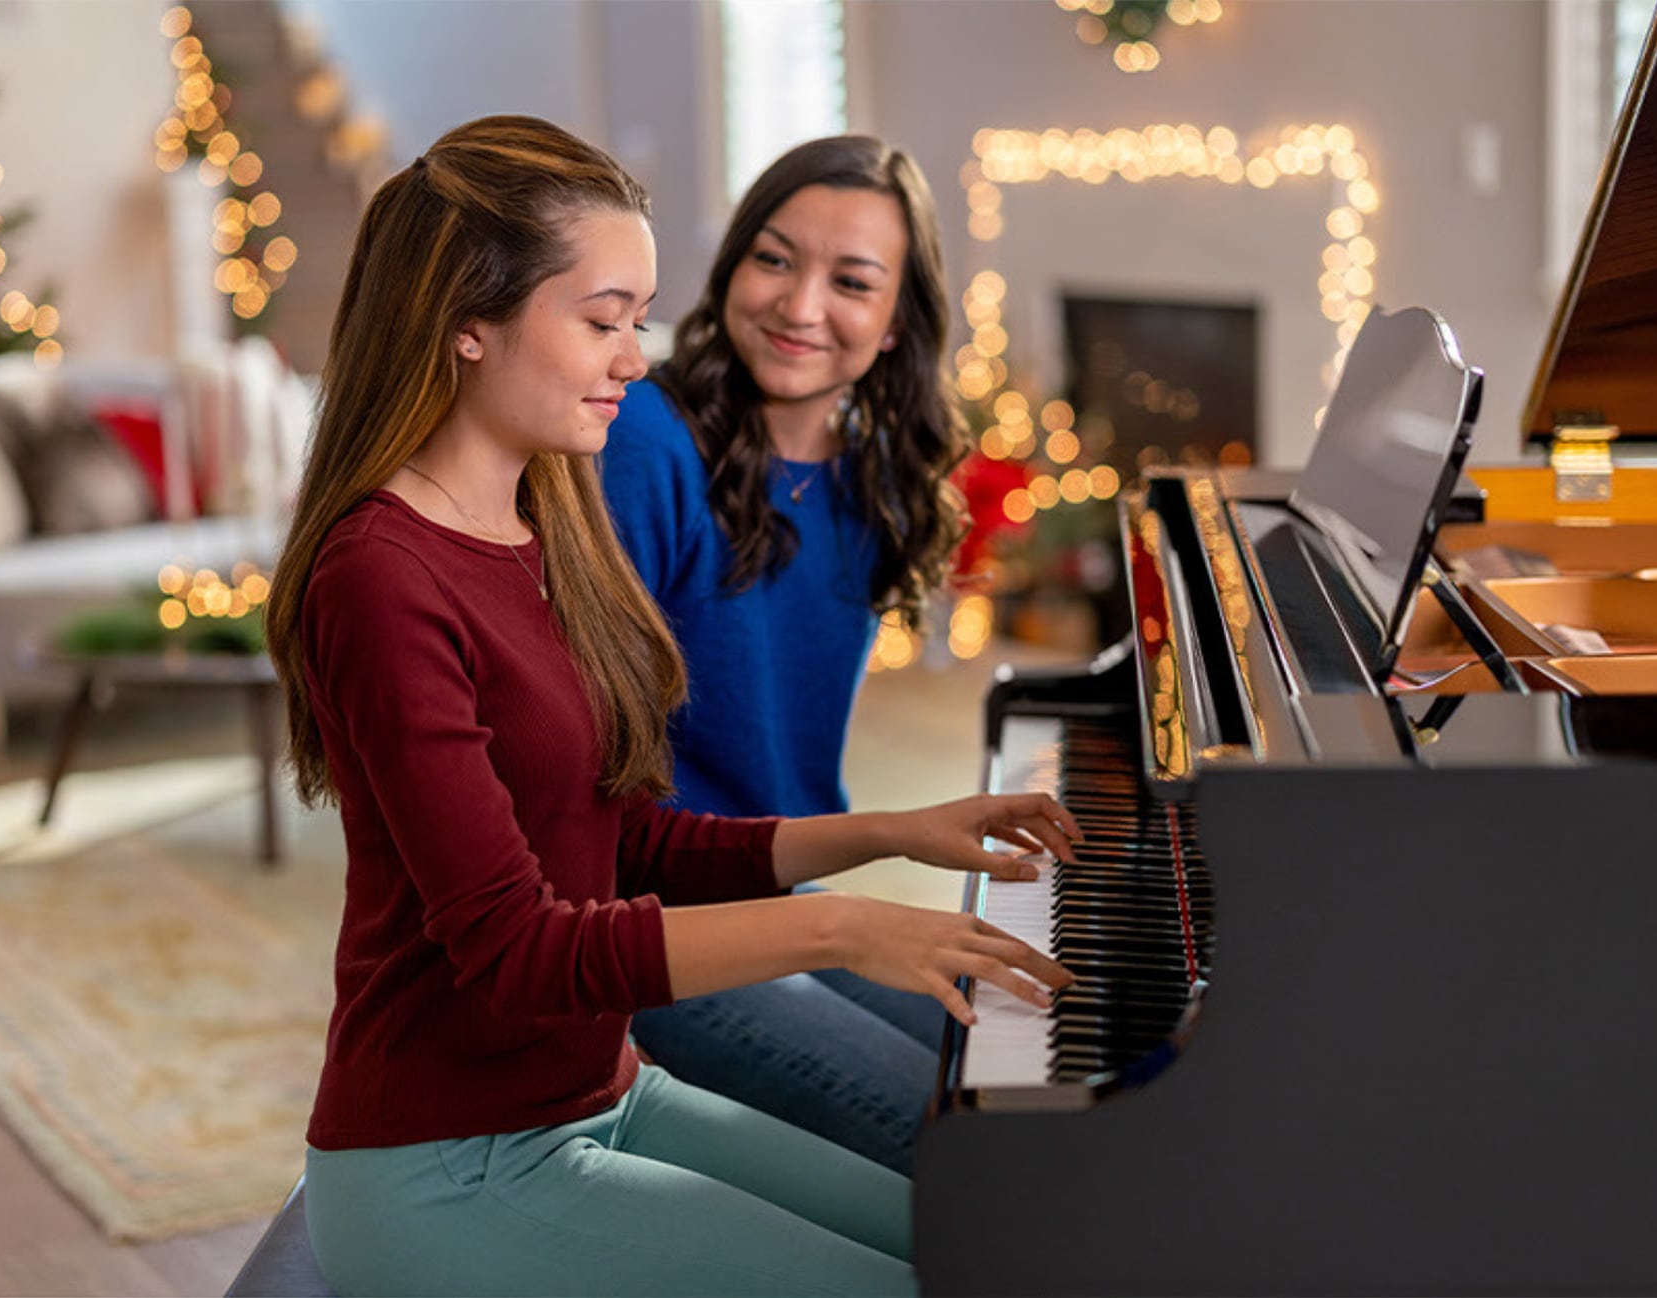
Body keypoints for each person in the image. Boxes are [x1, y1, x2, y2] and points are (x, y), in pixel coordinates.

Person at [263, 115, 1075, 1297]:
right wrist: (848, 926)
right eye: (602, 320)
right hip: (450, 1159)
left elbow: (626, 833)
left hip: (605, 1087)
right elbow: (517, 949)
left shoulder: (546, 519)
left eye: (637, 318)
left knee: (980, 1238)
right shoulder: (379, 574)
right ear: (466, 324)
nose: (636, 359)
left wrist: (894, 831)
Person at [598, 136, 973, 1174]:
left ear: (896, 323)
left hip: (778, 895)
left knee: (1023, 1073)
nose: (800, 305)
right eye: (774, 258)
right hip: (649, 928)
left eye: (850, 281)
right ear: (729, 270)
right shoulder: (643, 437)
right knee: (968, 1147)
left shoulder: (876, 488)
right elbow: (580, 782)